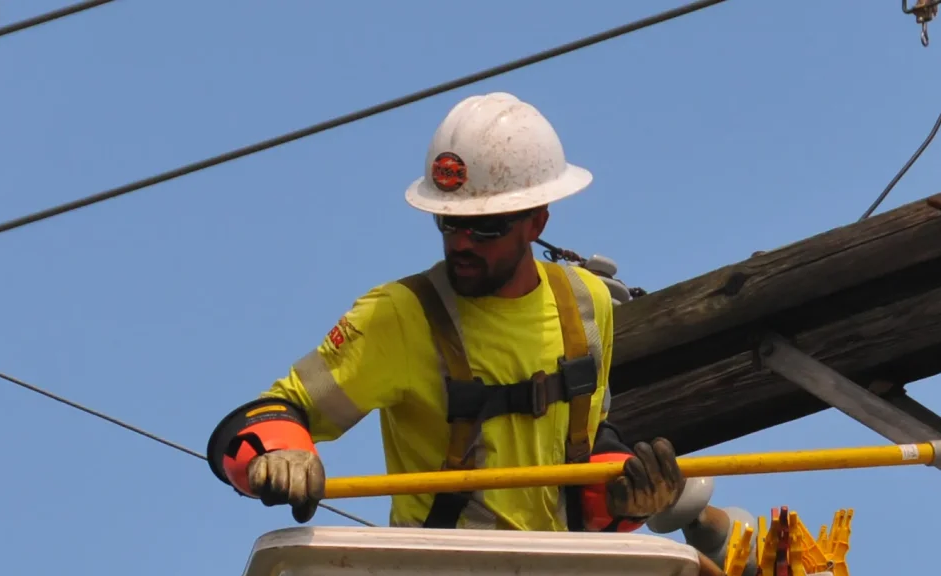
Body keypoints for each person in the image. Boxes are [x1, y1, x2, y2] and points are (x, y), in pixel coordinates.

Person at [205, 92, 689, 531]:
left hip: (557, 575)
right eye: (450, 222)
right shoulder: (398, 316)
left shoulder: (586, 304)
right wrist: (278, 452)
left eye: (485, 228)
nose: (461, 243)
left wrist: (626, 498)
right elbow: (268, 415)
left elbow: (580, 450)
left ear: (537, 221)